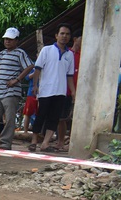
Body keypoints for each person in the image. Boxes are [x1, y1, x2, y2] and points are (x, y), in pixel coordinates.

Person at [0, 27, 34, 150]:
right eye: (6, 39)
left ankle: (5, 144)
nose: (7, 41)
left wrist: (17, 79)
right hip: (0, 92)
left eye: (10, 39)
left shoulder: (20, 53)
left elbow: (30, 66)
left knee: (9, 119)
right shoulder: (3, 53)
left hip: (12, 91)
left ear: (16, 41)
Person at [28, 23, 75, 152]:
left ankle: (45, 143)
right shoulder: (47, 50)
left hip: (61, 91)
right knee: (41, 115)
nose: (64, 36)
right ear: (56, 35)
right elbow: (37, 69)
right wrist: (36, 85)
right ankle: (34, 141)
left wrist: (74, 92)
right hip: (45, 90)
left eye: (67, 34)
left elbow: (69, 76)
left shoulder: (70, 55)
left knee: (54, 118)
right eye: (62, 33)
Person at [55, 29, 82, 152]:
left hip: (79, 91)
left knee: (76, 118)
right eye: (82, 38)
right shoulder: (68, 53)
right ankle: (60, 142)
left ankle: (72, 142)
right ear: (75, 39)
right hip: (63, 90)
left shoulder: (84, 55)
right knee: (61, 118)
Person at [21, 68, 37, 136]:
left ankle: (38, 132)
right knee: (28, 113)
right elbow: (27, 77)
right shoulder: (32, 66)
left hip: (42, 92)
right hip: (31, 92)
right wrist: (37, 72)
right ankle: (25, 131)